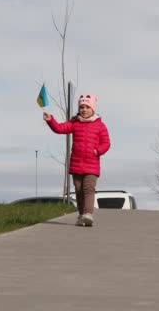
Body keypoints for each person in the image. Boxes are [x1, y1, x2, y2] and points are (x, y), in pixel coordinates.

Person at [43, 94, 111, 227]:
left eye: (87, 107)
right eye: (81, 107)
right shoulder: (75, 123)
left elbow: (106, 143)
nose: (84, 110)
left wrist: (97, 151)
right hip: (76, 164)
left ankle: (88, 214)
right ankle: (81, 215)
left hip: (92, 165)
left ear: (93, 109)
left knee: (88, 189)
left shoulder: (100, 125)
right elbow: (60, 128)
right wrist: (50, 120)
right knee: (79, 191)